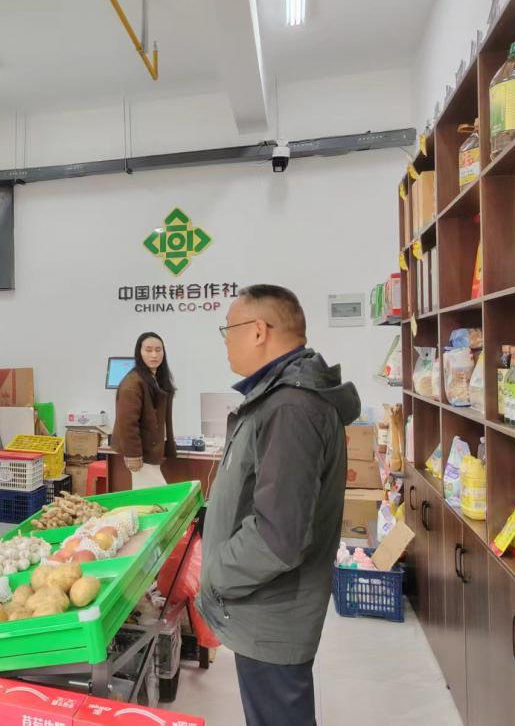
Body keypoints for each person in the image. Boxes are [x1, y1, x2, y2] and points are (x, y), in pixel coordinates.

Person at [197, 285, 360, 726]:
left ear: (258, 331)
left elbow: (277, 538)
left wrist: (215, 575)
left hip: (272, 612)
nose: (225, 342)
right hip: (265, 606)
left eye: (228, 330)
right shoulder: (280, 398)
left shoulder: (291, 407)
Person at [112, 332, 178, 489]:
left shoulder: (156, 379)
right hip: (142, 454)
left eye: (158, 350)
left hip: (152, 451)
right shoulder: (132, 383)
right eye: (148, 350)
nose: (154, 355)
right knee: (158, 497)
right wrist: (133, 454)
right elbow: (127, 423)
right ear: (139, 353)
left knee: (146, 497)